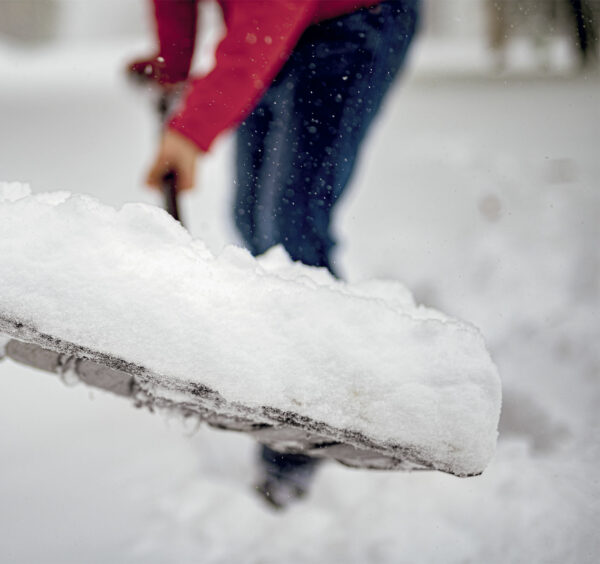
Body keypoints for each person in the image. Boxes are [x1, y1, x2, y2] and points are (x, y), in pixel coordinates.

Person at [131, 0, 419, 509]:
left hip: (351, 23)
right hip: (274, 28)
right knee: (251, 220)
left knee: (293, 225)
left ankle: (315, 425)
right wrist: (173, 70)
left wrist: (191, 132)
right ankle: (286, 378)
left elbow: (268, 19)